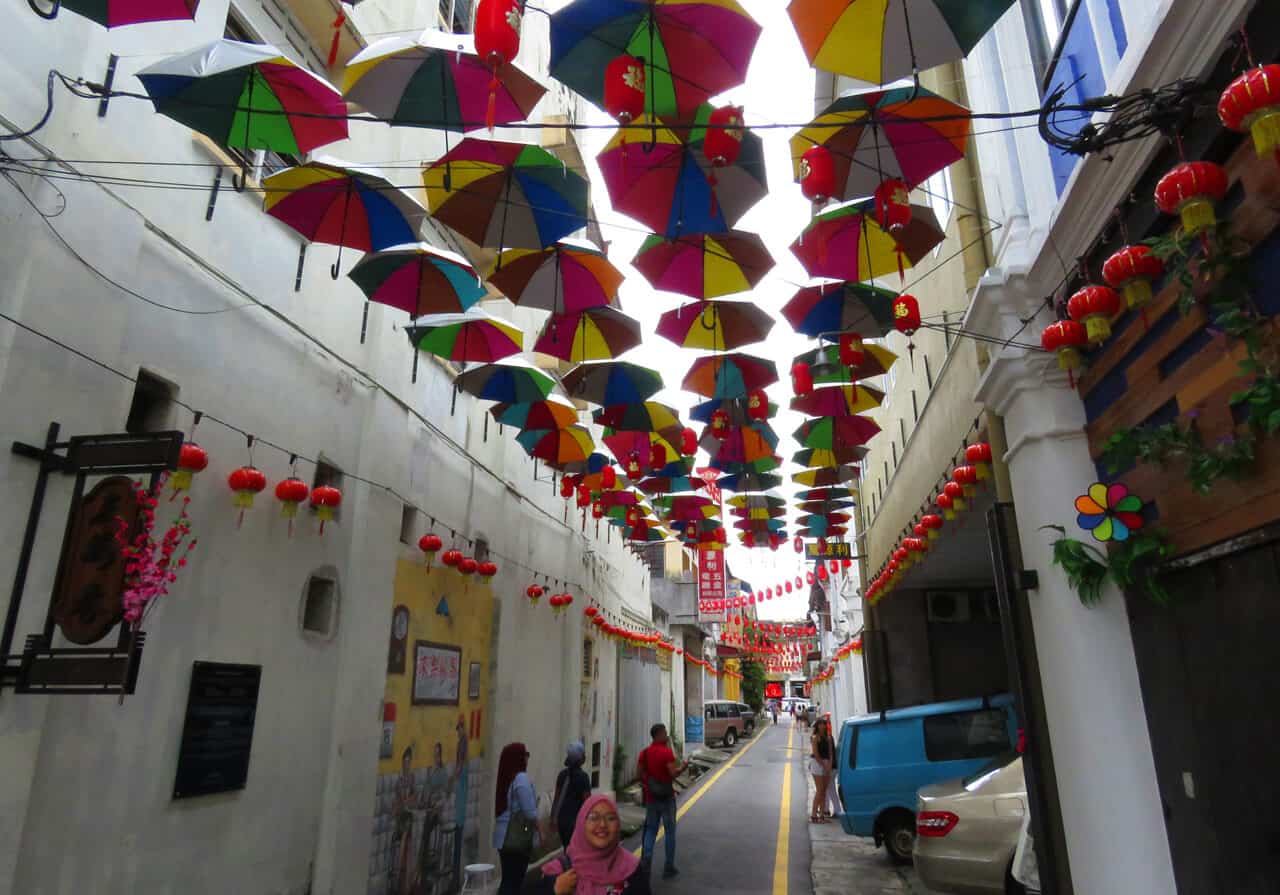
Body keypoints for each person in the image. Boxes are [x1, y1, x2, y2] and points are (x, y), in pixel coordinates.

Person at [535, 794, 652, 895]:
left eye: (610, 818)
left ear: (618, 825)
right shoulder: (559, 872)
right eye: (593, 817)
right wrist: (553, 890)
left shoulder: (631, 869)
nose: (602, 824)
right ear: (581, 824)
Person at [638, 723, 688, 879]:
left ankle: (646, 863)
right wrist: (684, 767)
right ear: (659, 734)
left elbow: (639, 773)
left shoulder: (644, 753)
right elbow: (673, 774)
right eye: (665, 732)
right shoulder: (666, 753)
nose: (667, 735)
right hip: (667, 798)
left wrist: (648, 785)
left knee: (651, 831)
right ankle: (668, 867)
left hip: (651, 798)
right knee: (670, 832)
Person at [494, 742, 539, 895]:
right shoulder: (521, 778)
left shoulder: (507, 777)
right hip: (516, 838)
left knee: (507, 881)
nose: (527, 757)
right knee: (514, 882)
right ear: (518, 758)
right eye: (525, 754)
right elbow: (530, 813)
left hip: (503, 837)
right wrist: (540, 830)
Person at [552, 741, 593, 847]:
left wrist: (553, 819)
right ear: (580, 759)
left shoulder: (561, 775)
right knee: (577, 853)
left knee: (567, 850)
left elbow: (556, 799)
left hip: (562, 822)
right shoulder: (583, 777)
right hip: (576, 824)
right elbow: (587, 803)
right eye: (583, 754)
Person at [809, 719, 835, 823]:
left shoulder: (828, 737)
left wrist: (829, 764)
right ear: (817, 726)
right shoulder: (815, 738)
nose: (822, 726)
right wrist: (824, 765)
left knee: (824, 791)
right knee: (820, 790)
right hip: (817, 763)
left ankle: (822, 815)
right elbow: (816, 754)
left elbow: (830, 753)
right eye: (820, 725)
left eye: (824, 724)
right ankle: (814, 815)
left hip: (826, 763)